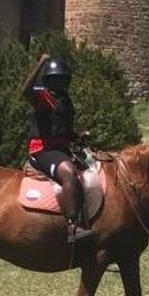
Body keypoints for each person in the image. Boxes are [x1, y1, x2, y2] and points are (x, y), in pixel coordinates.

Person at [23, 53, 89, 244]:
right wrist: (40, 63)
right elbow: (25, 90)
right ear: (48, 80)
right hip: (42, 151)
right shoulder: (43, 98)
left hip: (61, 150)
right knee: (68, 172)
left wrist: (77, 136)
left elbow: (60, 128)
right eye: (55, 79)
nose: (59, 83)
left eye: (62, 79)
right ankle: (73, 225)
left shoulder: (65, 100)